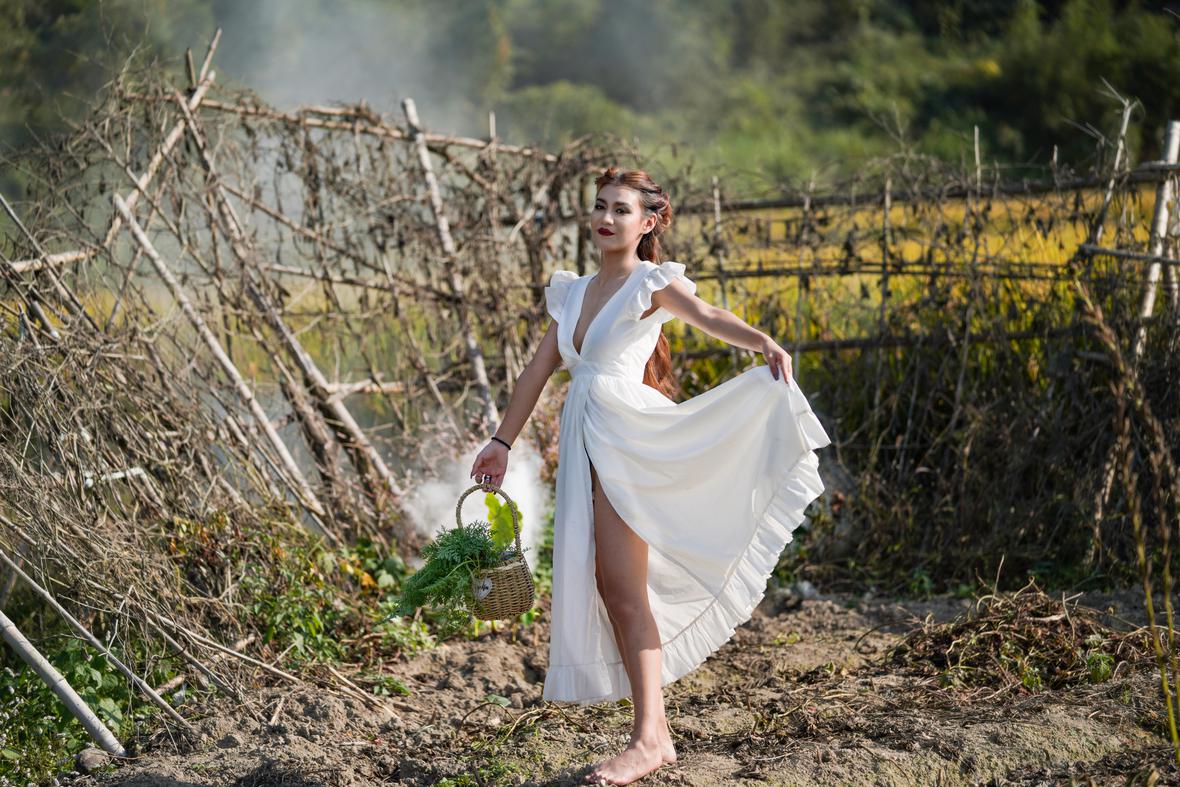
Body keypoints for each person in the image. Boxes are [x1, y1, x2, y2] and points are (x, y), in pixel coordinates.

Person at [469, 166, 830, 785]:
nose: (606, 218)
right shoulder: (573, 293)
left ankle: (649, 739)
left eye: (621, 209)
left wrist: (761, 340)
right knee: (612, 588)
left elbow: (707, 313)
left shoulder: (651, 283)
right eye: (600, 206)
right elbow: (535, 372)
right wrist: (502, 441)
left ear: (648, 222)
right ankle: (653, 734)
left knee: (624, 589)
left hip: (629, 444)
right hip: (586, 444)